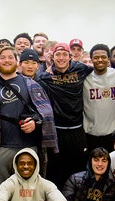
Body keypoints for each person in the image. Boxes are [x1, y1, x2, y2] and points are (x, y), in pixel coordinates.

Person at [0, 46, 58, 192]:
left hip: (27, 148)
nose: (7, 60)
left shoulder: (31, 84)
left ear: (17, 61)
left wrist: (35, 122)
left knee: (27, 194)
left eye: (10, 57)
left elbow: (46, 113)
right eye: (3, 57)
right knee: (0, 195)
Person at [36, 42, 93, 188]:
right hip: (57, 131)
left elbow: (99, 70)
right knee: (56, 170)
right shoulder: (45, 77)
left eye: (64, 54)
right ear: (52, 57)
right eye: (58, 54)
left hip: (77, 129)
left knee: (79, 169)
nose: (61, 58)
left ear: (70, 56)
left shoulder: (80, 69)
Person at [82, 44, 115, 152]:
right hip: (90, 134)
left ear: (109, 59)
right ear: (92, 59)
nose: (100, 60)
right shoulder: (84, 76)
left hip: (113, 133)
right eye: (96, 57)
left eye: (103, 57)